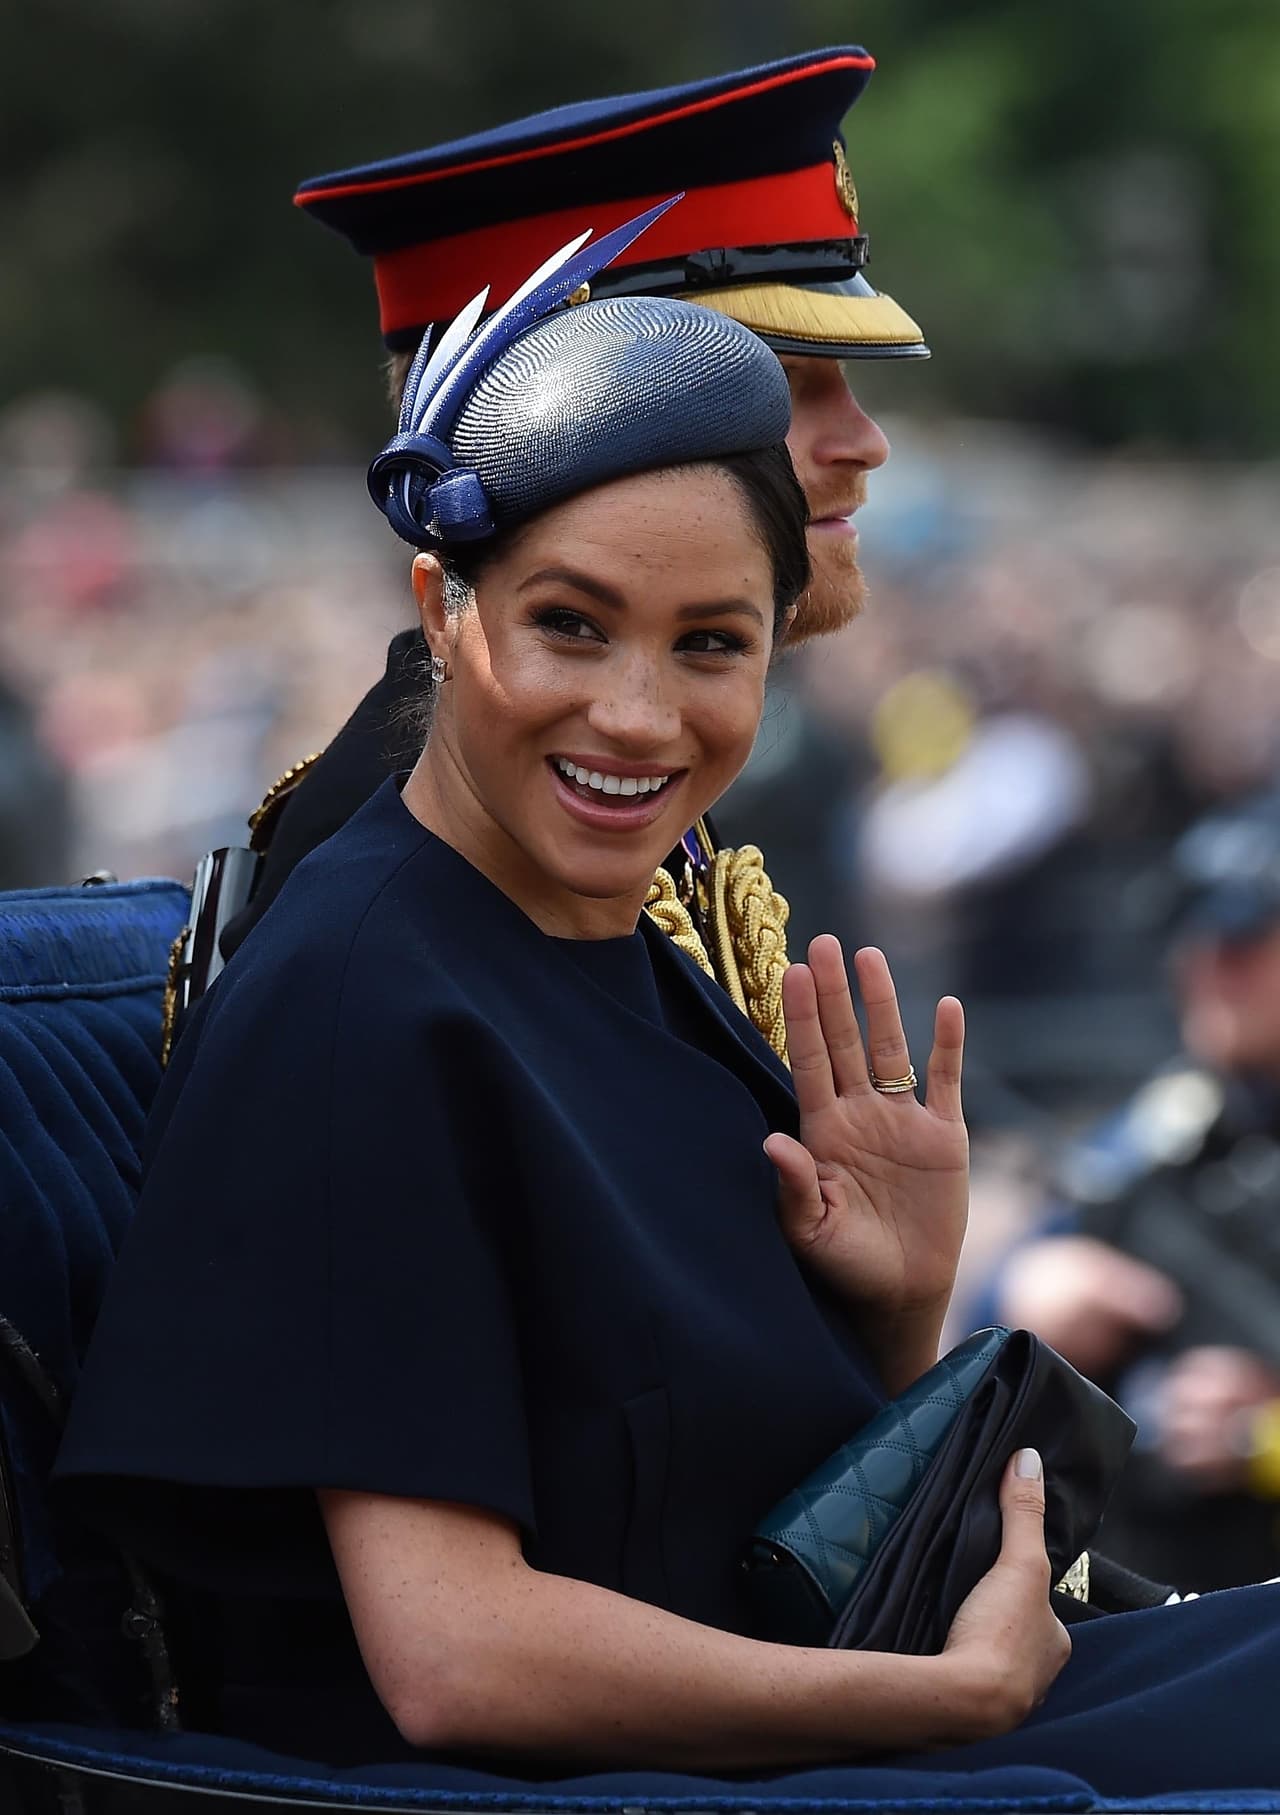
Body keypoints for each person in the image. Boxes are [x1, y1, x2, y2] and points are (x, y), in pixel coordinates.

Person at [53, 216, 1280, 1801]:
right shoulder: (365, 994)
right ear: (444, 608)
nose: (637, 714)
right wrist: (927, 1701)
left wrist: (902, 1305)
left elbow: (723, 1494)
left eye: (712, 645)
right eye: (569, 622)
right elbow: (451, 1655)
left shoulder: (601, 927)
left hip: (809, 1717)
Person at [220, 46, 925, 959]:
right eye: (775, 388)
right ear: (553, 420)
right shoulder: (425, 853)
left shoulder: (551, 787)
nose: (865, 441)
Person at [988, 788, 1280, 1591]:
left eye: (1243, 939)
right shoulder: (1176, 1120)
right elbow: (995, 1310)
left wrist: (1266, 1439)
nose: (1204, 965)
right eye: (1194, 939)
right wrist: (1030, 1285)